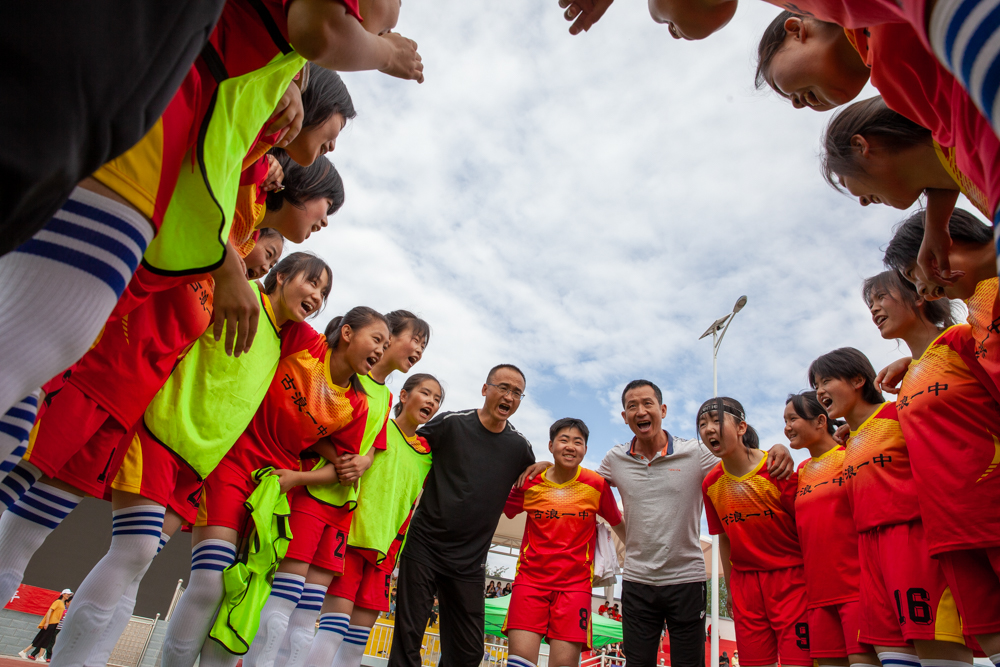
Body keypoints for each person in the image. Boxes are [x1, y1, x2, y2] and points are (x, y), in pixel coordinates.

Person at [0, 0, 422, 419]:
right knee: (27, 348)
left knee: (28, 368)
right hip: (143, 143)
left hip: (141, 143)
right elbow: (321, 29)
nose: (385, 32)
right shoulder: (254, 147)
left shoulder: (273, 87)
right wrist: (383, 54)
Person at [160, 307, 390, 667]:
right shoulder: (305, 343)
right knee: (208, 583)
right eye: (376, 339)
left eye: (385, 344)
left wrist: (297, 478)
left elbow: (341, 469)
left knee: (245, 593)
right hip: (233, 463)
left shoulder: (356, 404)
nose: (380, 349)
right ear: (347, 332)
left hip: (277, 491)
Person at [534, 379, 793, 667]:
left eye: (648, 404)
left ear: (663, 409)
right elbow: (581, 483)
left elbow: (736, 457)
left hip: (687, 579)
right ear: (624, 417)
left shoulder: (695, 453)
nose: (641, 411)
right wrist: (549, 466)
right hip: (637, 580)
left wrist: (776, 449)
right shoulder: (615, 459)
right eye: (632, 406)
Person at [755, 10, 1000, 286]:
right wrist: (936, 225)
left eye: (844, 178)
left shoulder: (890, 50)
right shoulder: (957, 142)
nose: (796, 104)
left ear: (796, 30)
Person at [809, 348, 972, 667]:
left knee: (938, 653)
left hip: (914, 543)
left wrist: (910, 364)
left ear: (858, 379)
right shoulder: (848, 440)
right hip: (870, 556)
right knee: (894, 659)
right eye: (816, 384)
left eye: (826, 380)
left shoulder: (899, 413)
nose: (819, 391)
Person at [388, 364, 537, 667]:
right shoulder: (451, 424)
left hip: (469, 561)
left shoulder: (519, 447)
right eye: (503, 387)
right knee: (408, 637)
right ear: (485, 389)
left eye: (517, 392)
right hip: (425, 545)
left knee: (469, 650)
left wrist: (544, 465)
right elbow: (406, 443)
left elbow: (535, 481)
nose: (509, 395)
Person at [501, 418, 623, 667]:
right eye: (563, 440)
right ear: (550, 445)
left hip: (575, 588)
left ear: (585, 450)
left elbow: (619, 525)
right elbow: (504, 508)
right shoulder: (531, 481)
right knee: (519, 664)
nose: (570, 447)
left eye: (578, 442)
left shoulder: (596, 485)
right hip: (530, 583)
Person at [700, 396, 811, 667]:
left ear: (741, 427)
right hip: (746, 587)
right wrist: (731, 591)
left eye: (716, 420)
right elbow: (724, 539)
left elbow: (805, 529)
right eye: (702, 424)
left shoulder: (777, 469)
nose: (709, 429)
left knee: (801, 661)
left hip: (792, 580)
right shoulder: (711, 483)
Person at [784, 391, 878, 667]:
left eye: (793, 418)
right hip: (817, 599)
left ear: (820, 421)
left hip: (858, 591)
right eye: (784, 420)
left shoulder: (850, 454)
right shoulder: (799, 472)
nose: (787, 427)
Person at [20, 590, 72, 663]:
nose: (68, 596)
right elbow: (50, 611)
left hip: (54, 624)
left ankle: (37, 656)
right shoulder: (58, 602)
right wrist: (47, 622)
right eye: (67, 594)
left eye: (69, 595)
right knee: (43, 639)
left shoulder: (62, 603)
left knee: (43, 639)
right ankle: (30, 653)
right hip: (51, 623)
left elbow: (58, 614)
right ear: (63, 594)